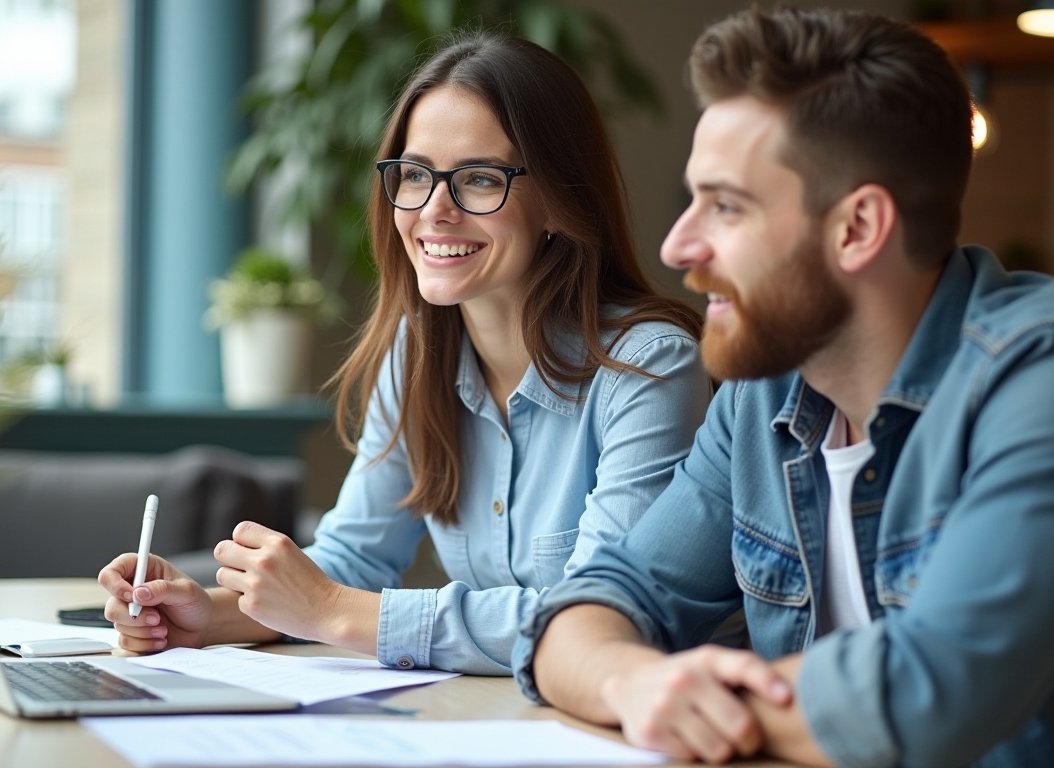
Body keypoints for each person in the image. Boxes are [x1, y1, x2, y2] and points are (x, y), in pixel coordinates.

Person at [516, 7, 1054, 767]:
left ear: (858, 227)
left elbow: (929, 695)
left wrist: (694, 700)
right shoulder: (762, 391)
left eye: (726, 206)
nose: (676, 246)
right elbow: (596, 603)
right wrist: (633, 681)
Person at [97, 32, 709, 675]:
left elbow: (597, 618)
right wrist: (208, 615)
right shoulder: (420, 350)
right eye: (414, 174)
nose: (433, 211)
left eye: (478, 179)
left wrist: (333, 609)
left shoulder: (650, 368)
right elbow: (353, 558)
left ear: (558, 199)